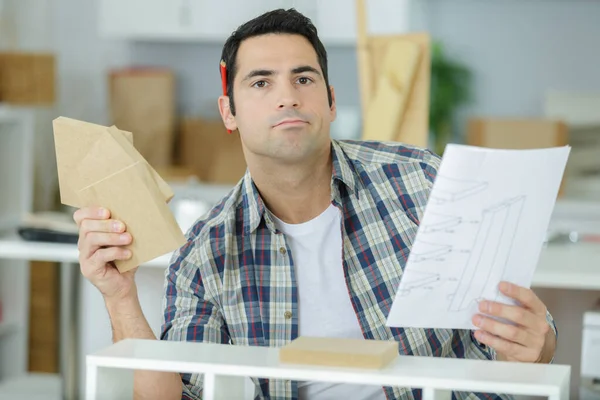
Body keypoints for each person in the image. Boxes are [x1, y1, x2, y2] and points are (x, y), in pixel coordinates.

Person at [74, 8, 557, 400]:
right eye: (261, 83)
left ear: (329, 100)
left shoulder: (419, 181)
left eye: (303, 79)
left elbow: (524, 337)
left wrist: (537, 345)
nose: (286, 97)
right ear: (229, 112)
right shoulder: (204, 253)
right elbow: (174, 397)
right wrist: (120, 297)